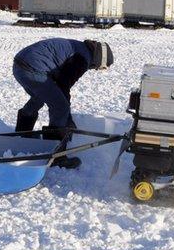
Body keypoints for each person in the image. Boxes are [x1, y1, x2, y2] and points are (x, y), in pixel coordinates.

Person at [12, 38, 115, 169]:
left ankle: (22, 133)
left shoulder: (79, 48)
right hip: (32, 69)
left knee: (42, 96)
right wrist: (67, 120)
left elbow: (60, 81)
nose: (94, 69)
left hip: (20, 65)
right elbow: (63, 86)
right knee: (60, 106)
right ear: (100, 58)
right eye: (99, 67)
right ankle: (56, 156)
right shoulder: (82, 59)